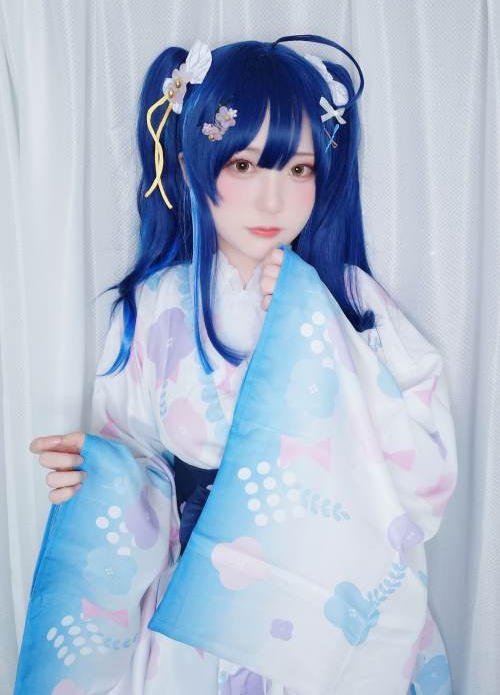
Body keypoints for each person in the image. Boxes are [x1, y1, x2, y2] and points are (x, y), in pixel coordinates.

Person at [26, 35, 457, 694]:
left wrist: (320, 333)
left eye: (299, 170)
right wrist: (101, 475)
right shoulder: (154, 307)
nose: (272, 200)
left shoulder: (351, 300)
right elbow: (143, 464)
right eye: (245, 165)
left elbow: (426, 479)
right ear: (193, 164)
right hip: (207, 614)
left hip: (331, 603)